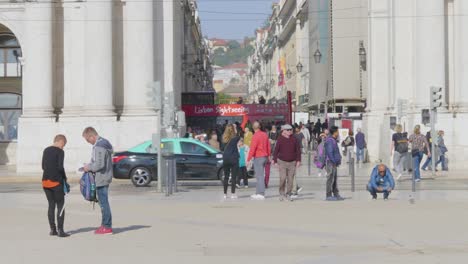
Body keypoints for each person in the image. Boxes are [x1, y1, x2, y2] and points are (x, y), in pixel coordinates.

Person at [82, 127, 114, 235]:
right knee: (103, 202)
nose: (88, 142)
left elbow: (99, 164)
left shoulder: (99, 146)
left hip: (102, 177)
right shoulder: (105, 143)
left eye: (87, 139)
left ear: (91, 136)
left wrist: (88, 167)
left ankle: (107, 226)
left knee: (103, 203)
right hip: (105, 176)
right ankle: (105, 225)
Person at [42, 134, 70, 237]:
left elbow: (43, 166)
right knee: (61, 206)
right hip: (56, 182)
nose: (64, 147)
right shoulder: (60, 151)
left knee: (51, 205)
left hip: (45, 181)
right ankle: (61, 231)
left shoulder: (46, 150)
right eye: (64, 144)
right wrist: (65, 179)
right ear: (61, 141)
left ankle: (53, 230)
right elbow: (60, 167)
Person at [273, 124, 301, 201]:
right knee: (282, 178)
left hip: (292, 162)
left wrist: (298, 160)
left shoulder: (294, 139)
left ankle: (288, 194)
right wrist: (275, 161)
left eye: (290, 129)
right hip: (282, 162)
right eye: (288, 130)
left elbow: (298, 150)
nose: (289, 131)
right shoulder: (280, 139)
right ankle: (281, 193)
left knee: (291, 180)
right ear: (284, 131)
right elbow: (276, 151)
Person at [247, 121, 271, 200]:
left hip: (258, 157)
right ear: (259, 127)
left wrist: (248, 159)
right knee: (260, 175)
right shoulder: (264, 134)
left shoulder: (255, 136)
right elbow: (268, 146)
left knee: (259, 176)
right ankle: (258, 192)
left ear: (253, 127)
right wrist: (268, 155)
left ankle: (261, 193)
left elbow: (253, 148)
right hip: (264, 156)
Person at [221, 124, 241, 199]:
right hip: (234, 159)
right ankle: (233, 194)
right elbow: (240, 134)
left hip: (226, 158)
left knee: (226, 177)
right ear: (233, 130)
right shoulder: (235, 138)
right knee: (233, 177)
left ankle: (225, 194)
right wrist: (235, 128)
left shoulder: (223, 138)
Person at [325, 126, 344, 201]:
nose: (338, 133)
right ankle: (328, 195)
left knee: (334, 179)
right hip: (330, 162)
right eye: (337, 131)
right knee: (330, 179)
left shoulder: (333, 140)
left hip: (333, 162)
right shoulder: (330, 140)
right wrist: (334, 161)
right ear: (335, 132)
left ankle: (336, 194)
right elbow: (330, 152)